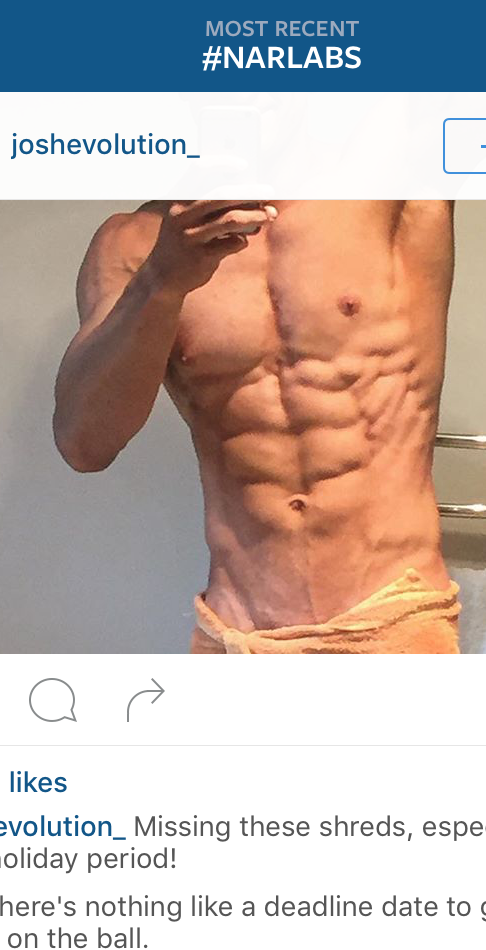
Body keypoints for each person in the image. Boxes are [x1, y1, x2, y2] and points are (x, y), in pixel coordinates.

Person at [54, 201, 460, 654]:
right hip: (236, 635)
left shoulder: (397, 192)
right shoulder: (132, 244)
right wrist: (160, 281)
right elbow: (83, 444)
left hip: (393, 618)